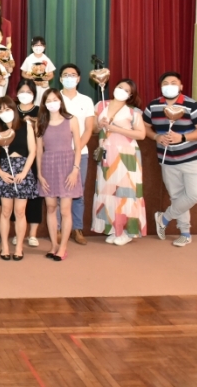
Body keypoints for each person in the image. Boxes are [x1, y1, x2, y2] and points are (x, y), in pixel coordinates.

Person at [143, 71, 197, 247]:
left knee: (195, 194)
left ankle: (164, 218)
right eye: (165, 83)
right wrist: (156, 137)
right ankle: (184, 232)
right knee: (177, 197)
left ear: (181, 86)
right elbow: (145, 127)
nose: (169, 86)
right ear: (160, 87)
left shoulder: (191, 105)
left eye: (173, 83)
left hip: (192, 158)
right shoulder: (153, 106)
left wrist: (183, 137)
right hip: (167, 160)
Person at [93, 79, 147, 245]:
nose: (121, 90)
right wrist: (100, 125)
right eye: (119, 87)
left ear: (130, 95)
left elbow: (141, 134)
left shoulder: (133, 112)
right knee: (108, 191)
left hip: (127, 155)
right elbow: (94, 129)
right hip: (106, 153)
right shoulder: (101, 105)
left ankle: (126, 230)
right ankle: (113, 228)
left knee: (126, 193)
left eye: (126, 90)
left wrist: (116, 129)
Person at [36, 88, 84, 261]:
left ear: (60, 101)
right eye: (48, 101)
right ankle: (54, 245)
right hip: (48, 166)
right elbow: (39, 151)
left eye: (55, 100)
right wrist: (39, 174)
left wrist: (75, 170)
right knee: (50, 208)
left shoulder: (71, 120)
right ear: (44, 103)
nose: (52, 103)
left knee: (65, 210)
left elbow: (78, 147)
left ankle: (63, 247)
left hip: (67, 166)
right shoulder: (41, 122)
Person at [0, 96, 38, 261]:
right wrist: (1, 173)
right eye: (1, 110)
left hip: (23, 171)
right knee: (5, 211)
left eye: (7, 109)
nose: (4, 112)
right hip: (5, 172)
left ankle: (19, 248)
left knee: (20, 211)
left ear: (14, 109)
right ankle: (4, 246)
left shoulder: (26, 126)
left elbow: (33, 151)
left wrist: (24, 172)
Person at [58, 63, 95, 245]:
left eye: (73, 75)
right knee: (59, 191)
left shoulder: (86, 101)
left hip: (81, 153)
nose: (69, 78)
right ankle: (58, 228)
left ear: (79, 79)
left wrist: (78, 148)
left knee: (78, 192)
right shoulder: (55, 99)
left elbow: (89, 128)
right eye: (65, 75)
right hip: (58, 153)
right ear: (60, 79)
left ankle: (77, 229)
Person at [12, 79, 42, 247]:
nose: (25, 94)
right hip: (14, 158)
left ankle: (32, 234)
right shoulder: (11, 110)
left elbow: (43, 132)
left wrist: (34, 123)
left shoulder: (39, 111)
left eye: (29, 92)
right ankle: (18, 233)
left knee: (33, 195)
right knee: (15, 195)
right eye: (22, 91)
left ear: (34, 94)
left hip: (33, 157)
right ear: (16, 93)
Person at [20, 36, 55, 105]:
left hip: (43, 87)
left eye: (40, 45)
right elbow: (23, 73)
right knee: (31, 103)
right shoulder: (28, 59)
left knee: (43, 103)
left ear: (44, 47)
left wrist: (47, 78)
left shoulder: (47, 59)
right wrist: (28, 77)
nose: (38, 47)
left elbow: (51, 74)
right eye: (36, 45)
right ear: (32, 47)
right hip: (31, 86)